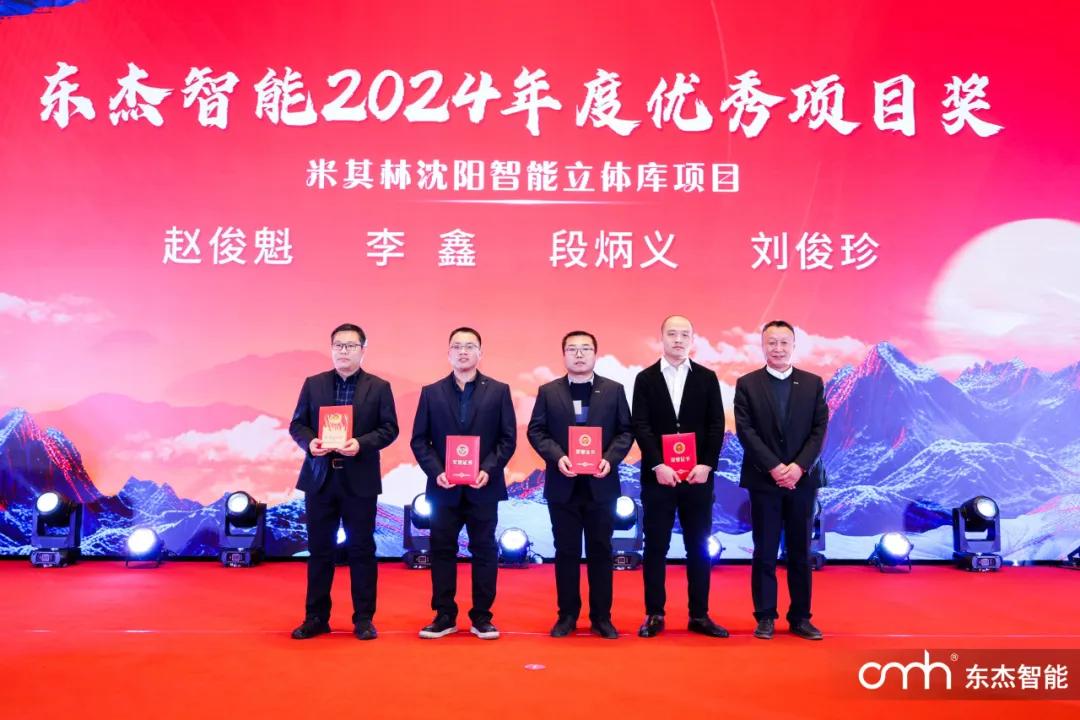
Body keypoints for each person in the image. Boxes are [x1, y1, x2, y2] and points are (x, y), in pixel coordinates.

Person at [288, 323, 399, 640]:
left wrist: (360, 443)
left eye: (350, 346)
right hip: (320, 478)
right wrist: (309, 442)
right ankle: (316, 617)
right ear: (331, 349)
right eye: (338, 345)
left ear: (363, 350)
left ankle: (363, 619)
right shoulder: (314, 384)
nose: (343, 351)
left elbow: (389, 429)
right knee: (319, 550)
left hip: (359, 479)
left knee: (361, 549)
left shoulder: (379, 387)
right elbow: (298, 425)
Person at [410, 327, 517, 640]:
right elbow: (419, 440)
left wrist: (488, 469)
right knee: (441, 549)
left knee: (484, 550)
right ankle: (444, 615)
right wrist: (436, 471)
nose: (463, 351)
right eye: (457, 346)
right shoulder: (431, 392)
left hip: (484, 486)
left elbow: (507, 439)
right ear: (448, 354)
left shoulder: (498, 391)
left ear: (480, 353)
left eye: (470, 346)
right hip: (443, 488)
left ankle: (482, 617)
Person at [527, 330, 634, 639]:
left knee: (601, 551)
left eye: (585, 348)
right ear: (563, 355)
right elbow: (536, 431)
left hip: (601, 485)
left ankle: (602, 617)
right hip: (564, 485)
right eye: (572, 349)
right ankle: (567, 615)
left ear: (595, 354)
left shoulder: (613, 390)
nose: (579, 354)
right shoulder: (549, 392)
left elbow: (626, 431)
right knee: (566, 552)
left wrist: (610, 459)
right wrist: (558, 456)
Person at [631, 315, 728, 638]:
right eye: (672, 334)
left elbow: (716, 424)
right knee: (655, 547)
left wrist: (707, 465)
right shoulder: (646, 379)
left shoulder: (707, 378)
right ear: (661, 338)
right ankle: (654, 614)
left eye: (684, 334)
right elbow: (641, 425)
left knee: (698, 546)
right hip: (658, 478)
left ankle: (699, 615)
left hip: (698, 478)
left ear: (692, 339)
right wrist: (658, 464)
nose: (678, 340)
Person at [734, 320, 829, 641]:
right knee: (764, 550)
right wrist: (774, 467)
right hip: (764, 481)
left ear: (793, 346)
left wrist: (799, 467)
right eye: (771, 343)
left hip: (803, 482)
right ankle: (765, 616)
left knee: (801, 552)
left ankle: (801, 617)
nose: (778, 348)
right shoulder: (748, 384)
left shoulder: (812, 383)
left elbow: (819, 430)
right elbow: (746, 432)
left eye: (783, 342)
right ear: (763, 346)